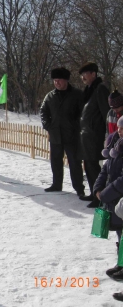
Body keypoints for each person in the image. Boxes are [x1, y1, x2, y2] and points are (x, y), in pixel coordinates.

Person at [40, 67, 85, 197]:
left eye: (59, 80)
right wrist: (48, 125)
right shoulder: (50, 96)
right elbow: (43, 111)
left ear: (66, 80)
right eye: (54, 80)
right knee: (55, 161)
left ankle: (79, 188)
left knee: (75, 163)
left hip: (72, 135)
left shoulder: (77, 95)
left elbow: (83, 113)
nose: (57, 83)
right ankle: (56, 184)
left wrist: (75, 125)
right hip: (55, 135)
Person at [93, 120, 123, 283]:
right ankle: (121, 263)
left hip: (119, 198)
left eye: (122, 128)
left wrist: (106, 193)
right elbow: (105, 169)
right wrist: (98, 188)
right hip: (113, 200)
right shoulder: (115, 145)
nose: (119, 131)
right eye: (118, 127)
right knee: (120, 234)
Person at [79, 62, 110, 208]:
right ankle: (93, 193)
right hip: (87, 135)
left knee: (94, 167)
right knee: (88, 166)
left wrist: (108, 135)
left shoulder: (100, 88)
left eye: (85, 73)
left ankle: (100, 196)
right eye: (82, 74)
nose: (83, 77)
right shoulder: (89, 89)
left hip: (96, 135)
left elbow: (106, 113)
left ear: (93, 74)